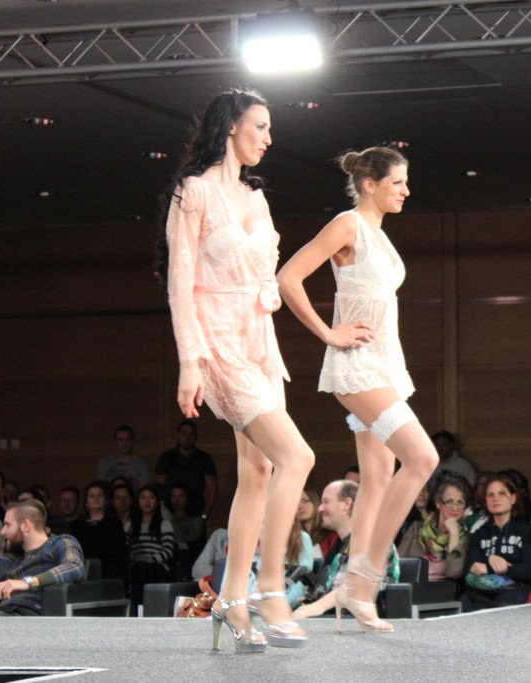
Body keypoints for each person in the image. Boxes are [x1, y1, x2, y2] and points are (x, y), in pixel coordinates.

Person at [155, 88, 314, 652]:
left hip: (260, 340)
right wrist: (189, 360)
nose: (268, 138)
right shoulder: (193, 192)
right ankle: (269, 587)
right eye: (261, 126)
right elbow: (180, 282)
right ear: (230, 127)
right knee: (298, 456)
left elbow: (266, 275)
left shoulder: (255, 196)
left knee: (259, 471)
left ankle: (230, 599)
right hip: (218, 342)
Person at [277, 146, 439, 632]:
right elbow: (288, 278)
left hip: (385, 365)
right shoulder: (347, 225)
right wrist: (329, 333)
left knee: (378, 476)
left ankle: (354, 588)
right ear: (370, 185)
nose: (406, 191)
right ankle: (364, 579)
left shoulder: (379, 234)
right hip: (358, 367)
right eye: (397, 183)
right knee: (422, 458)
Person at [292, 480, 399, 621]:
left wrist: (316, 607)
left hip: (360, 625)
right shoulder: (339, 547)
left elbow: (356, 587)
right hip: (334, 622)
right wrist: (314, 598)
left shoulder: (373, 541)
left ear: (347, 504)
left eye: (326, 502)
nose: (320, 508)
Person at [462, 474, 531, 611]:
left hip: (515, 590)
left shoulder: (526, 529)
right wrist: (490, 559)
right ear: (485, 500)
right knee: (464, 600)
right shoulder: (480, 533)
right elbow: (471, 566)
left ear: (513, 498)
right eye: (490, 495)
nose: (495, 498)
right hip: (481, 590)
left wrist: (493, 567)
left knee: (504, 604)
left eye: (502, 493)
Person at [398, 474, 470, 582]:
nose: (455, 508)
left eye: (460, 503)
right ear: (438, 503)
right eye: (449, 502)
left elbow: (453, 572)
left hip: (440, 590)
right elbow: (398, 563)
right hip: (412, 586)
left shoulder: (465, 537)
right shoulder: (416, 528)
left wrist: (454, 533)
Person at [155, 419, 218, 520]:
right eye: (184, 434)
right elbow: (159, 488)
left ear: (195, 436)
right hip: (169, 514)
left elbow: (212, 489)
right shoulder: (166, 457)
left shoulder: (204, 458)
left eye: (191, 434)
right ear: (178, 435)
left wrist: (204, 515)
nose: (187, 438)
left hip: (196, 513)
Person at [129, 484, 176, 613]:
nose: (147, 501)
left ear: (156, 502)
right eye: (143, 497)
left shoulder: (164, 524)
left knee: (142, 570)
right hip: (136, 566)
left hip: (157, 567)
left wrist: (151, 559)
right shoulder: (131, 525)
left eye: (151, 498)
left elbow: (168, 550)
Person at [70, 480, 128, 581]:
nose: (96, 499)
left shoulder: (114, 525)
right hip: (83, 572)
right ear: (86, 503)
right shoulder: (77, 527)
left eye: (99, 496)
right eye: (92, 496)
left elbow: (118, 554)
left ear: (105, 501)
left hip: (108, 573)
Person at [297, 487, 338, 560]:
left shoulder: (332, 534)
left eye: (305, 501)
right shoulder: (293, 538)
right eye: (295, 503)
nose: (300, 506)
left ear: (315, 502)